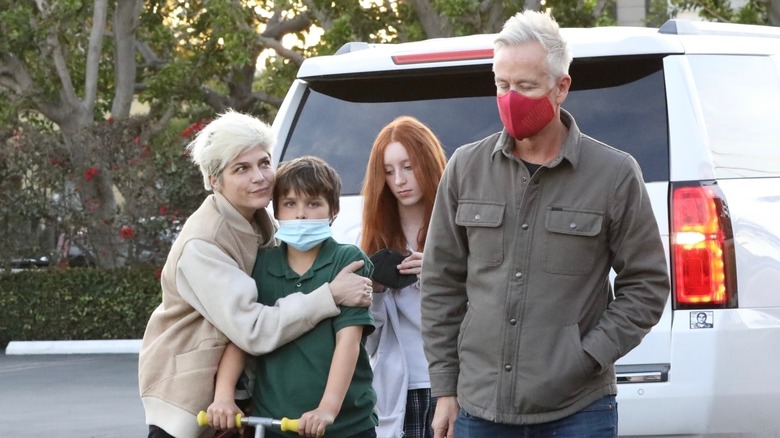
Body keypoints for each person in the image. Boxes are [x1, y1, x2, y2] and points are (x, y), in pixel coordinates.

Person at [419, 10, 670, 438]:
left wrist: (587, 356)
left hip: (579, 409)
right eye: (502, 85)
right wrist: (445, 388)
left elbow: (647, 285)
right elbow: (441, 284)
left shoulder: (613, 174)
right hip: (479, 408)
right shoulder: (464, 167)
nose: (511, 97)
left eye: (526, 86)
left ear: (561, 87)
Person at [138, 111, 373, 438]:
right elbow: (250, 329)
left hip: (244, 405)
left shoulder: (264, 225)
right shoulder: (201, 245)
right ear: (214, 180)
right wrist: (330, 295)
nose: (260, 177)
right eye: (242, 168)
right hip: (192, 401)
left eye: (264, 163)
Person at [209, 155, 378, 438]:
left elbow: (348, 342)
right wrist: (223, 396)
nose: (300, 214)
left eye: (313, 204)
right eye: (290, 204)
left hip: (346, 426)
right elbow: (242, 335)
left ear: (333, 210)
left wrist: (327, 409)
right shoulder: (261, 264)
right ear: (276, 210)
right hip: (274, 424)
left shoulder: (347, 260)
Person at [359, 116, 447, 438]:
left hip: (454, 385)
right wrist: (376, 292)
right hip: (399, 388)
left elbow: (486, 309)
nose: (399, 180)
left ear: (428, 162)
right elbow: (367, 340)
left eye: (408, 167)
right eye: (389, 170)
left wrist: (440, 275)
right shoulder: (371, 238)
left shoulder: (457, 228)